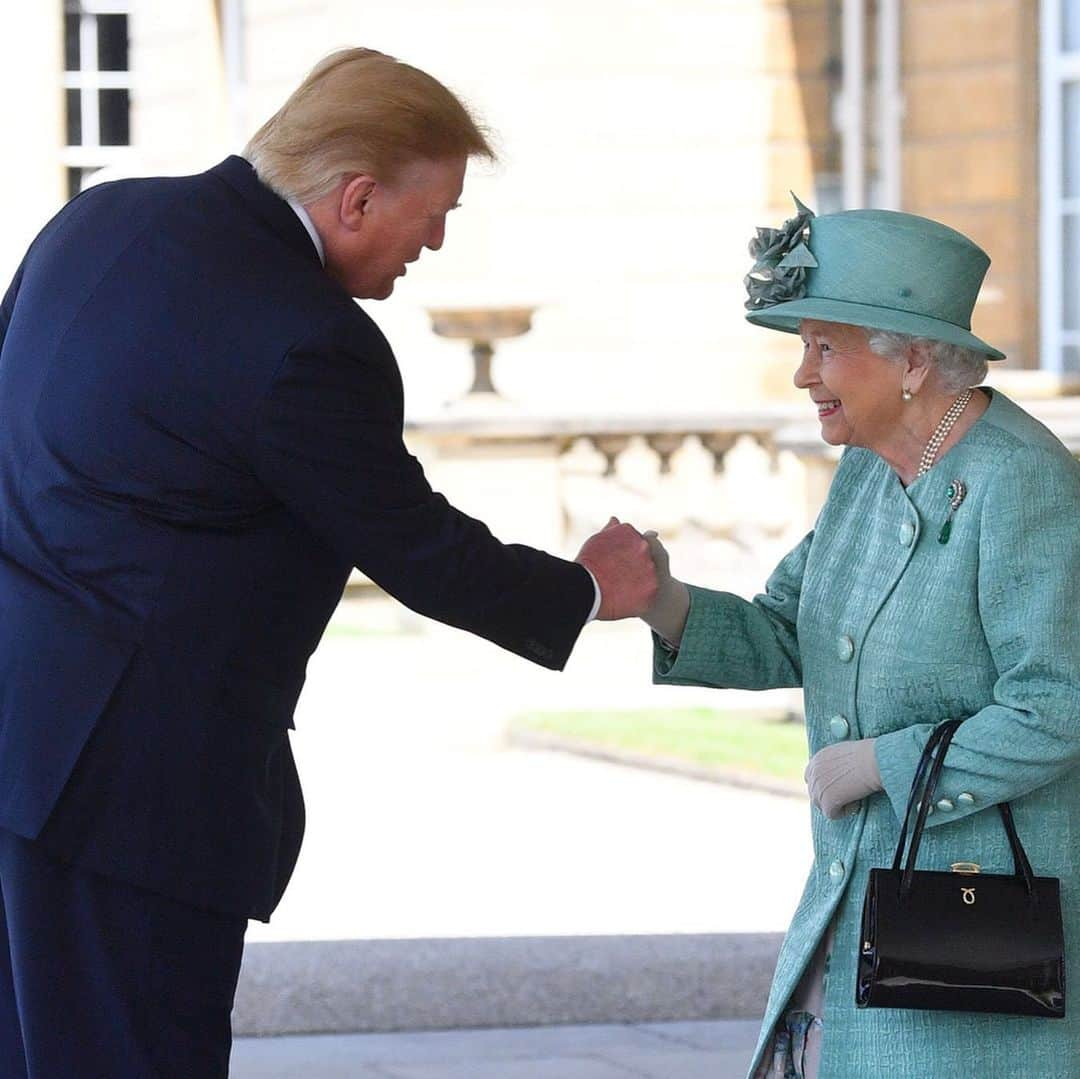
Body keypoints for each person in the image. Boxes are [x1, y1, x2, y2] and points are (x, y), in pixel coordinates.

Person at [0, 48, 656, 1077]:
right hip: (136, 789)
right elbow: (417, 546)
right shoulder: (308, 338)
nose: (435, 242)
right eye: (434, 212)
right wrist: (589, 588)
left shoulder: (96, 221)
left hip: (16, 741)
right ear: (356, 197)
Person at [640, 199, 1080, 1077]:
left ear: (912, 359)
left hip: (972, 934)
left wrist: (888, 762)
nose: (803, 374)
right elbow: (785, 630)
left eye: (823, 346)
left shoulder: (1022, 483)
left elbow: (1058, 707)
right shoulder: (868, 473)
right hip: (858, 909)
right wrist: (663, 601)